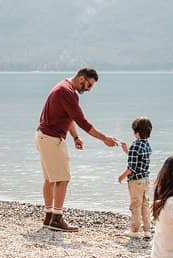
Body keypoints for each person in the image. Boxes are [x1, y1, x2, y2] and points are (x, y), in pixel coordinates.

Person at [35, 67, 118, 232]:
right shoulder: (67, 92)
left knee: (50, 179)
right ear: (82, 78)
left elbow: (69, 117)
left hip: (43, 136)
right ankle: (56, 219)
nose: (89, 89)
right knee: (63, 179)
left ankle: (49, 217)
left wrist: (75, 137)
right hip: (51, 139)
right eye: (89, 85)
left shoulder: (63, 87)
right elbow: (82, 121)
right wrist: (104, 139)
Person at [117, 117, 153, 239]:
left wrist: (122, 176)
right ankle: (147, 230)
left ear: (136, 132)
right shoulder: (147, 145)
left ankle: (135, 230)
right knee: (145, 204)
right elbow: (139, 160)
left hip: (135, 180)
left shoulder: (135, 146)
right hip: (145, 179)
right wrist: (126, 150)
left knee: (135, 204)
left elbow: (132, 167)